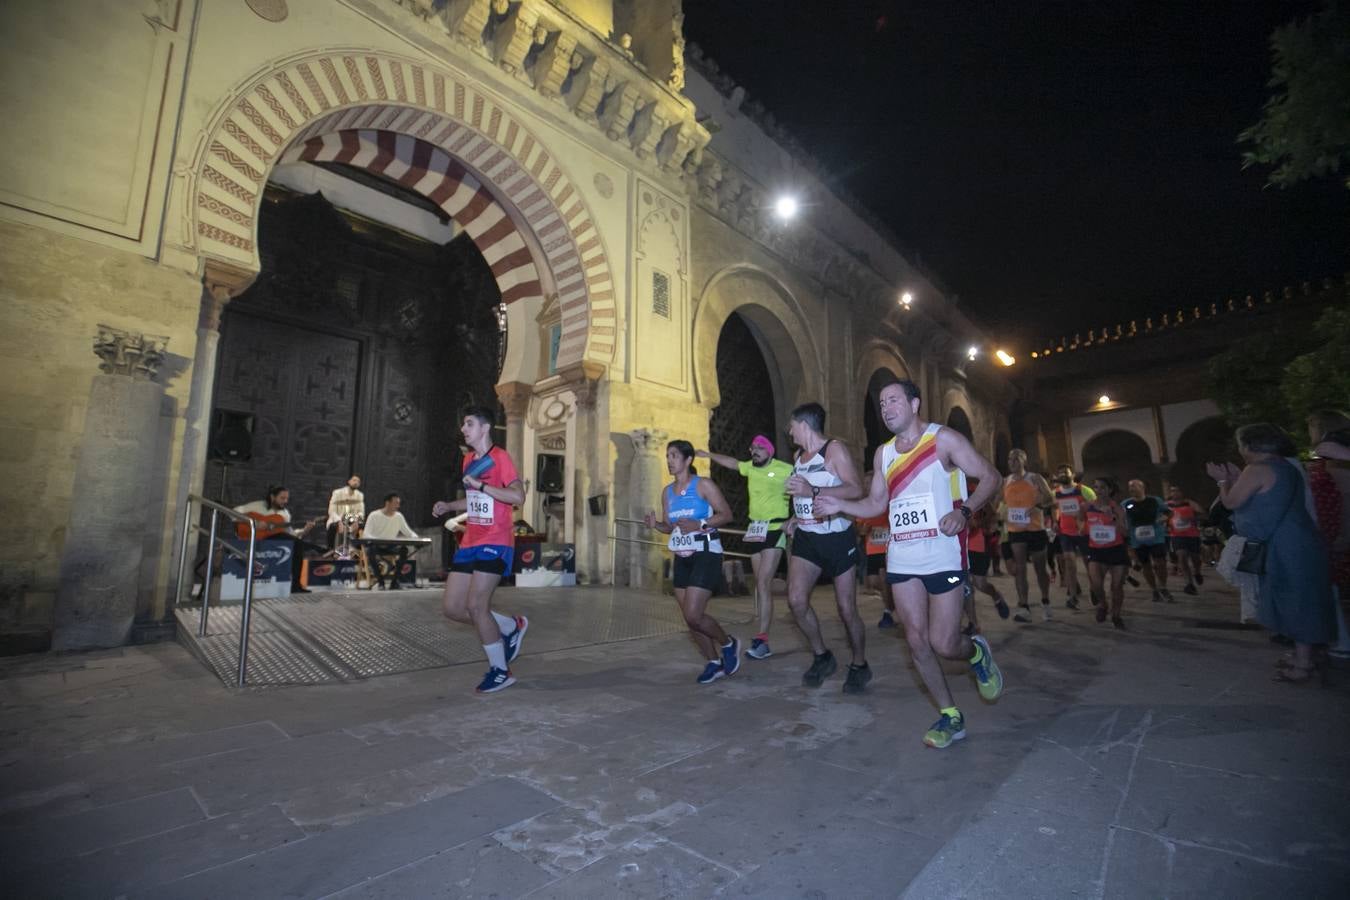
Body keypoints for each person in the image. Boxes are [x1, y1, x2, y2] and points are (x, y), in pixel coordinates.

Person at [817, 378, 1004, 748]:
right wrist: (840, 505)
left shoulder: (943, 440)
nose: (886, 408)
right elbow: (875, 505)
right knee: (917, 641)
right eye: (882, 404)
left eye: (893, 401)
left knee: (945, 642)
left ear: (915, 404)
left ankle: (977, 651)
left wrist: (965, 512)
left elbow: (991, 477)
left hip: (943, 553)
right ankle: (950, 715)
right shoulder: (883, 454)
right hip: (902, 558)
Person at [1210, 424, 1335, 682]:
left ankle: (1302, 664)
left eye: (1241, 444)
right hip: (1301, 538)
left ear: (1250, 445)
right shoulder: (1285, 466)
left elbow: (1232, 502)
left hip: (1284, 543)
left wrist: (1222, 481)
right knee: (1304, 596)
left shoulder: (1257, 468)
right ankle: (1308, 654)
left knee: (1293, 598)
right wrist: (1235, 480)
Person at [431, 406, 529, 694]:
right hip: (471, 540)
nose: (464, 429)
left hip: (496, 539)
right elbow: (472, 500)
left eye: (469, 424)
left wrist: (484, 488)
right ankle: (512, 626)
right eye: (464, 424)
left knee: (476, 606)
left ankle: (500, 671)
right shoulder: (468, 461)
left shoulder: (500, 458)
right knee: (452, 608)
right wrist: (449, 506)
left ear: (485, 429)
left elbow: (517, 496)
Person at [783, 402, 870, 693]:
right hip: (808, 537)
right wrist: (797, 516)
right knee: (796, 600)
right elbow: (804, 496)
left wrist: (813, 490)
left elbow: (856, 489)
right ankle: (822, 656)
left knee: (846, 609)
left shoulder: (834, 450)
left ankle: (860, 664)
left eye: (792, 425)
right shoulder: (798, 456)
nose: (789, 430)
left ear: (804, 426)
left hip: (837, 538)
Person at [646, 440, 741, 684]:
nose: (669, 460)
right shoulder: (667, 492)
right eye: (667, 455)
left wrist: (701, 524)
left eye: (674, 455)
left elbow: (727, 514)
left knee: (693, 614)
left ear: (688, 460)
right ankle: (713, 662)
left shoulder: (703, 485)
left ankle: (729, 643)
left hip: (706, 552)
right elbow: (671, 527)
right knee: (690, 619)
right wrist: (656, 525)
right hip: (682, 556)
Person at [698, 434, 792, 659]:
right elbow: (732, 463)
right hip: (755, 530)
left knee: (762, 582)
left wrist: (794, 518)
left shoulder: (786, 469)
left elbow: (802, 490)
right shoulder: (750, 468)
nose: (754, 451)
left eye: (759, 448)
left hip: (775, 529)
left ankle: (762, 639)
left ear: (769, 450)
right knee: (761, 587)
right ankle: (789, 592)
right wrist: (709, 455)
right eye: (752, 448)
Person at [234, 486, 322, 594]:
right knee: (292, 542)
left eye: (287, 499)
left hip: (274, 538)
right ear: (272, 497)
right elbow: (234, 512)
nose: (285, 501)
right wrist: (255, 524)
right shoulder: (257, 506)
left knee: (296, 544)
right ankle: (323, 551)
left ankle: (295, 585)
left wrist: (304, 530)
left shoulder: (284, 514)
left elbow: (290, 534)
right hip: (255, 536)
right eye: (282, 498)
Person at [1002, 449, 1054, 622]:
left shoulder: (1035, 478)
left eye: (1016, 459)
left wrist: (1037, 508)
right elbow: (1001, 503)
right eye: (1010, 459)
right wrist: (1001, 513)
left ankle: (1045, 601)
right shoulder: (1006, 481)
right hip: (1016, 530)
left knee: (1040, 568)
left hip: (1035, 529)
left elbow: (1050, 499)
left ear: (1024, 461)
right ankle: (1024, 606)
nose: (1012, 463)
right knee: (1020, 569)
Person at [1084, 477, 1131, 628]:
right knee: (1096, 584)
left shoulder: (1117, 508)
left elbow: (1125, 532)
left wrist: (1112, 519)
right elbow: (1078, 519)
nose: (1098, 491)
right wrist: (1081, 527)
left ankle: (1116, 615)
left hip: (1116, 549)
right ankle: (1103, 604)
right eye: (1096, 487)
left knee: (1116, 586)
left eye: (1102, 487)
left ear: (1109, 490)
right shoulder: (1087, 506)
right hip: (1096, 550)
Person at [1051, 464, 1095, 610]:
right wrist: (1055, 522)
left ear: (1073, 474)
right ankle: (1073, 596)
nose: (1063, 474)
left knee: (1089, 563)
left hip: (1083, 532)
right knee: (1069, 562)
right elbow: (1054, 508)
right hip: (1066, 532)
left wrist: (1086, 520)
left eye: (1066, 472)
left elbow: (1095, 506)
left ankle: (1094, 589)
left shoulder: (1083, 490)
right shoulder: (1056, 492)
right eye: (1060, 472)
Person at [966, 479, 1011, 622]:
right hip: (957, 549)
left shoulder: (974, 490)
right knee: (964, 587)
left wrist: (978, 524)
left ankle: (996, 596)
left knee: (980, 584)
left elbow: (993, 515)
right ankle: (973, 625)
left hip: (976, 546)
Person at [1124, 479, 1174, 603]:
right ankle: (1154, 590)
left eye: (1134, 486)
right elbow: (1119, 517)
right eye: (1130, 487)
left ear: (1142, 487)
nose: (1131, 489)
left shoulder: (1155, 500)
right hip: (1137, 540)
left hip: (1156, 537)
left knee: (1160, 563)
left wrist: (1163, 518)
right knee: (1146, 566)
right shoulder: (1126, 503)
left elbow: (1168, 512)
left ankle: (1163, 586)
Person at [363, 492, 419, 590]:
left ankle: (395, 581)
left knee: (404, 550)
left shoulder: (398, 516)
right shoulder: (374, 515)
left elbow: (408, 532)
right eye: (396, 503)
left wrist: (416, 538)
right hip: (377, 546)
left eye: (399, 503)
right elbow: (366, 534)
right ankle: (380, 582)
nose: (398, 506)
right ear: (387, 503)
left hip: (391, 547)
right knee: (370, 552)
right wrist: (377, 540)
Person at [858, 506, 897, 628]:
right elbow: (861, 531)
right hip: (872, 550)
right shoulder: (864, 508)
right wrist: (864, 528)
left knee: (884, 579)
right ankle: (894, 596)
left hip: (887, 549)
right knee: (873, 582)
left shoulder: (889, 506)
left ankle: (887, 612)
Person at [1165, 485, 1204, 595]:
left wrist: (1192, 518)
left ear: (1182, 492)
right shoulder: (1167, 505)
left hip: (1192, 535)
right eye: (1172, 491)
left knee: (1196, 558)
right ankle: (1189, 584)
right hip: (1176, 535)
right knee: (1181, 556)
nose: (1175, 493)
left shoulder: (1189, 503)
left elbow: (1202, 514)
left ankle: (1197, 572)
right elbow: (1158, 516)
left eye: (1177, 490)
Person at [326, 474, 365, 550]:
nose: (356, 482)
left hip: (352, 519)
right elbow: (332, 511)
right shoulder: (337, 493)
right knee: (333, 527)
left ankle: (357, 551)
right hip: (338, 518)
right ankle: (331, 550)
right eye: (354, 480)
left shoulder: (360, 495)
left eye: (358, 481)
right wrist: (339, 521)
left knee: (362, 526)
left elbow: (361, 512)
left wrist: (356, 520)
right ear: (349, 481)